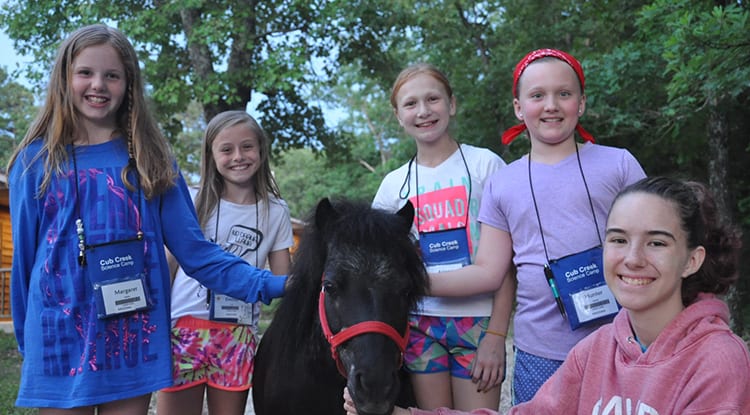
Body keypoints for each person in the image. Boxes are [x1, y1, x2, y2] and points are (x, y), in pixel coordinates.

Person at [7, 24, 286, 414]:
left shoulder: (152, 161)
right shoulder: (34, 163)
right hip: (59, 341)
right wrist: (28, 343)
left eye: (112, 75)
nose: (98, 85)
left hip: (132, 340)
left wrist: (280, 285)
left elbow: (198, 254)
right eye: (85, 72)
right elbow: (24, 266)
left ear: (129, 84)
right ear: (64, 78)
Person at [345, 176, 750, 414]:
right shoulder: (597, 349)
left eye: (657, 243)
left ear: (692, 260)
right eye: (618, 239)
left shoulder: (717, 362)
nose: (632, 258)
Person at [423, 48, 646, 404]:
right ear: (518, 108)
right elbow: (487, 273)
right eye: (537, 96)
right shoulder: (503, 183)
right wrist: (413, 280)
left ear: (582, 102)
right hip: (540, 353)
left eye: (564, 94)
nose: (551, 105)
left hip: (623, 343)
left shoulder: (618, 164)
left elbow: (654, 248)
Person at [372, 62, 516, 411]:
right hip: (421, 325)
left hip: (479, 323)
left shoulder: (486, 166)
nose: (423, 111)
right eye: (410, 104)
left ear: (451, 104)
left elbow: (510, 264)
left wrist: (497, 336)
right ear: (397, 115)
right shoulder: (393, 185)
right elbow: (379, 264)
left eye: (433, 99)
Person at [156, 111, 293, 414]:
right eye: (226, 149)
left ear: (261, 150)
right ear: (211, 155)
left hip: (238, 332)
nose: (238, 157)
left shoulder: (277, 211)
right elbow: (169, 265)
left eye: (247, 147)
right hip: (184, 329)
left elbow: (286, 279)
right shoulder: (191, 199)